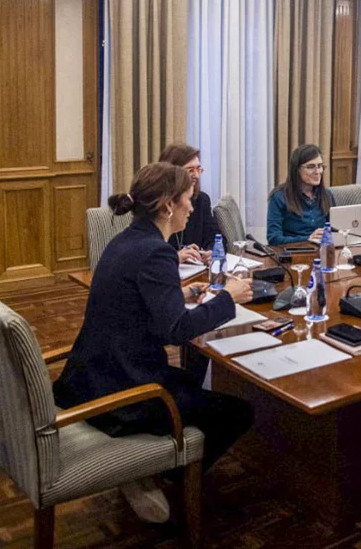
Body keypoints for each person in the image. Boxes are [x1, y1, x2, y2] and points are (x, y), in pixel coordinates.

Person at [53, 163, 254, 523]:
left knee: (192, 385)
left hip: (89, 378)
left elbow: (137, 306)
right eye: (188, 200)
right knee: (238, 412)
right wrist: (230, 298)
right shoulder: (156, 252)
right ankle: (163, 471)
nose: (192, 208)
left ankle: (152, 467)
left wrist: (180, 292)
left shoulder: (128, 240)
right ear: (167, 206)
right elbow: (176, 330)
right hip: (123, 394)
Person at [159, 144, 218, 264]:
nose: (196, 175)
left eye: (198, 169)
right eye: (190, 170)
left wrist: (212, 251)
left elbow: (215, 236)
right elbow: (151, 249)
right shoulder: (157, 204)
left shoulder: (201, 200)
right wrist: (176, 256)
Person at [267, 144, 335, 244]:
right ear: (297, 170)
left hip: (322, 251)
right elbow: (273, 238)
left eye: (320, 166)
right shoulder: (279, 197)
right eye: (311, 167)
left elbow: (335, 230)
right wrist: (307, 238)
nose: (317, 172)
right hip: (293, 253)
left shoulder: (327, 195)